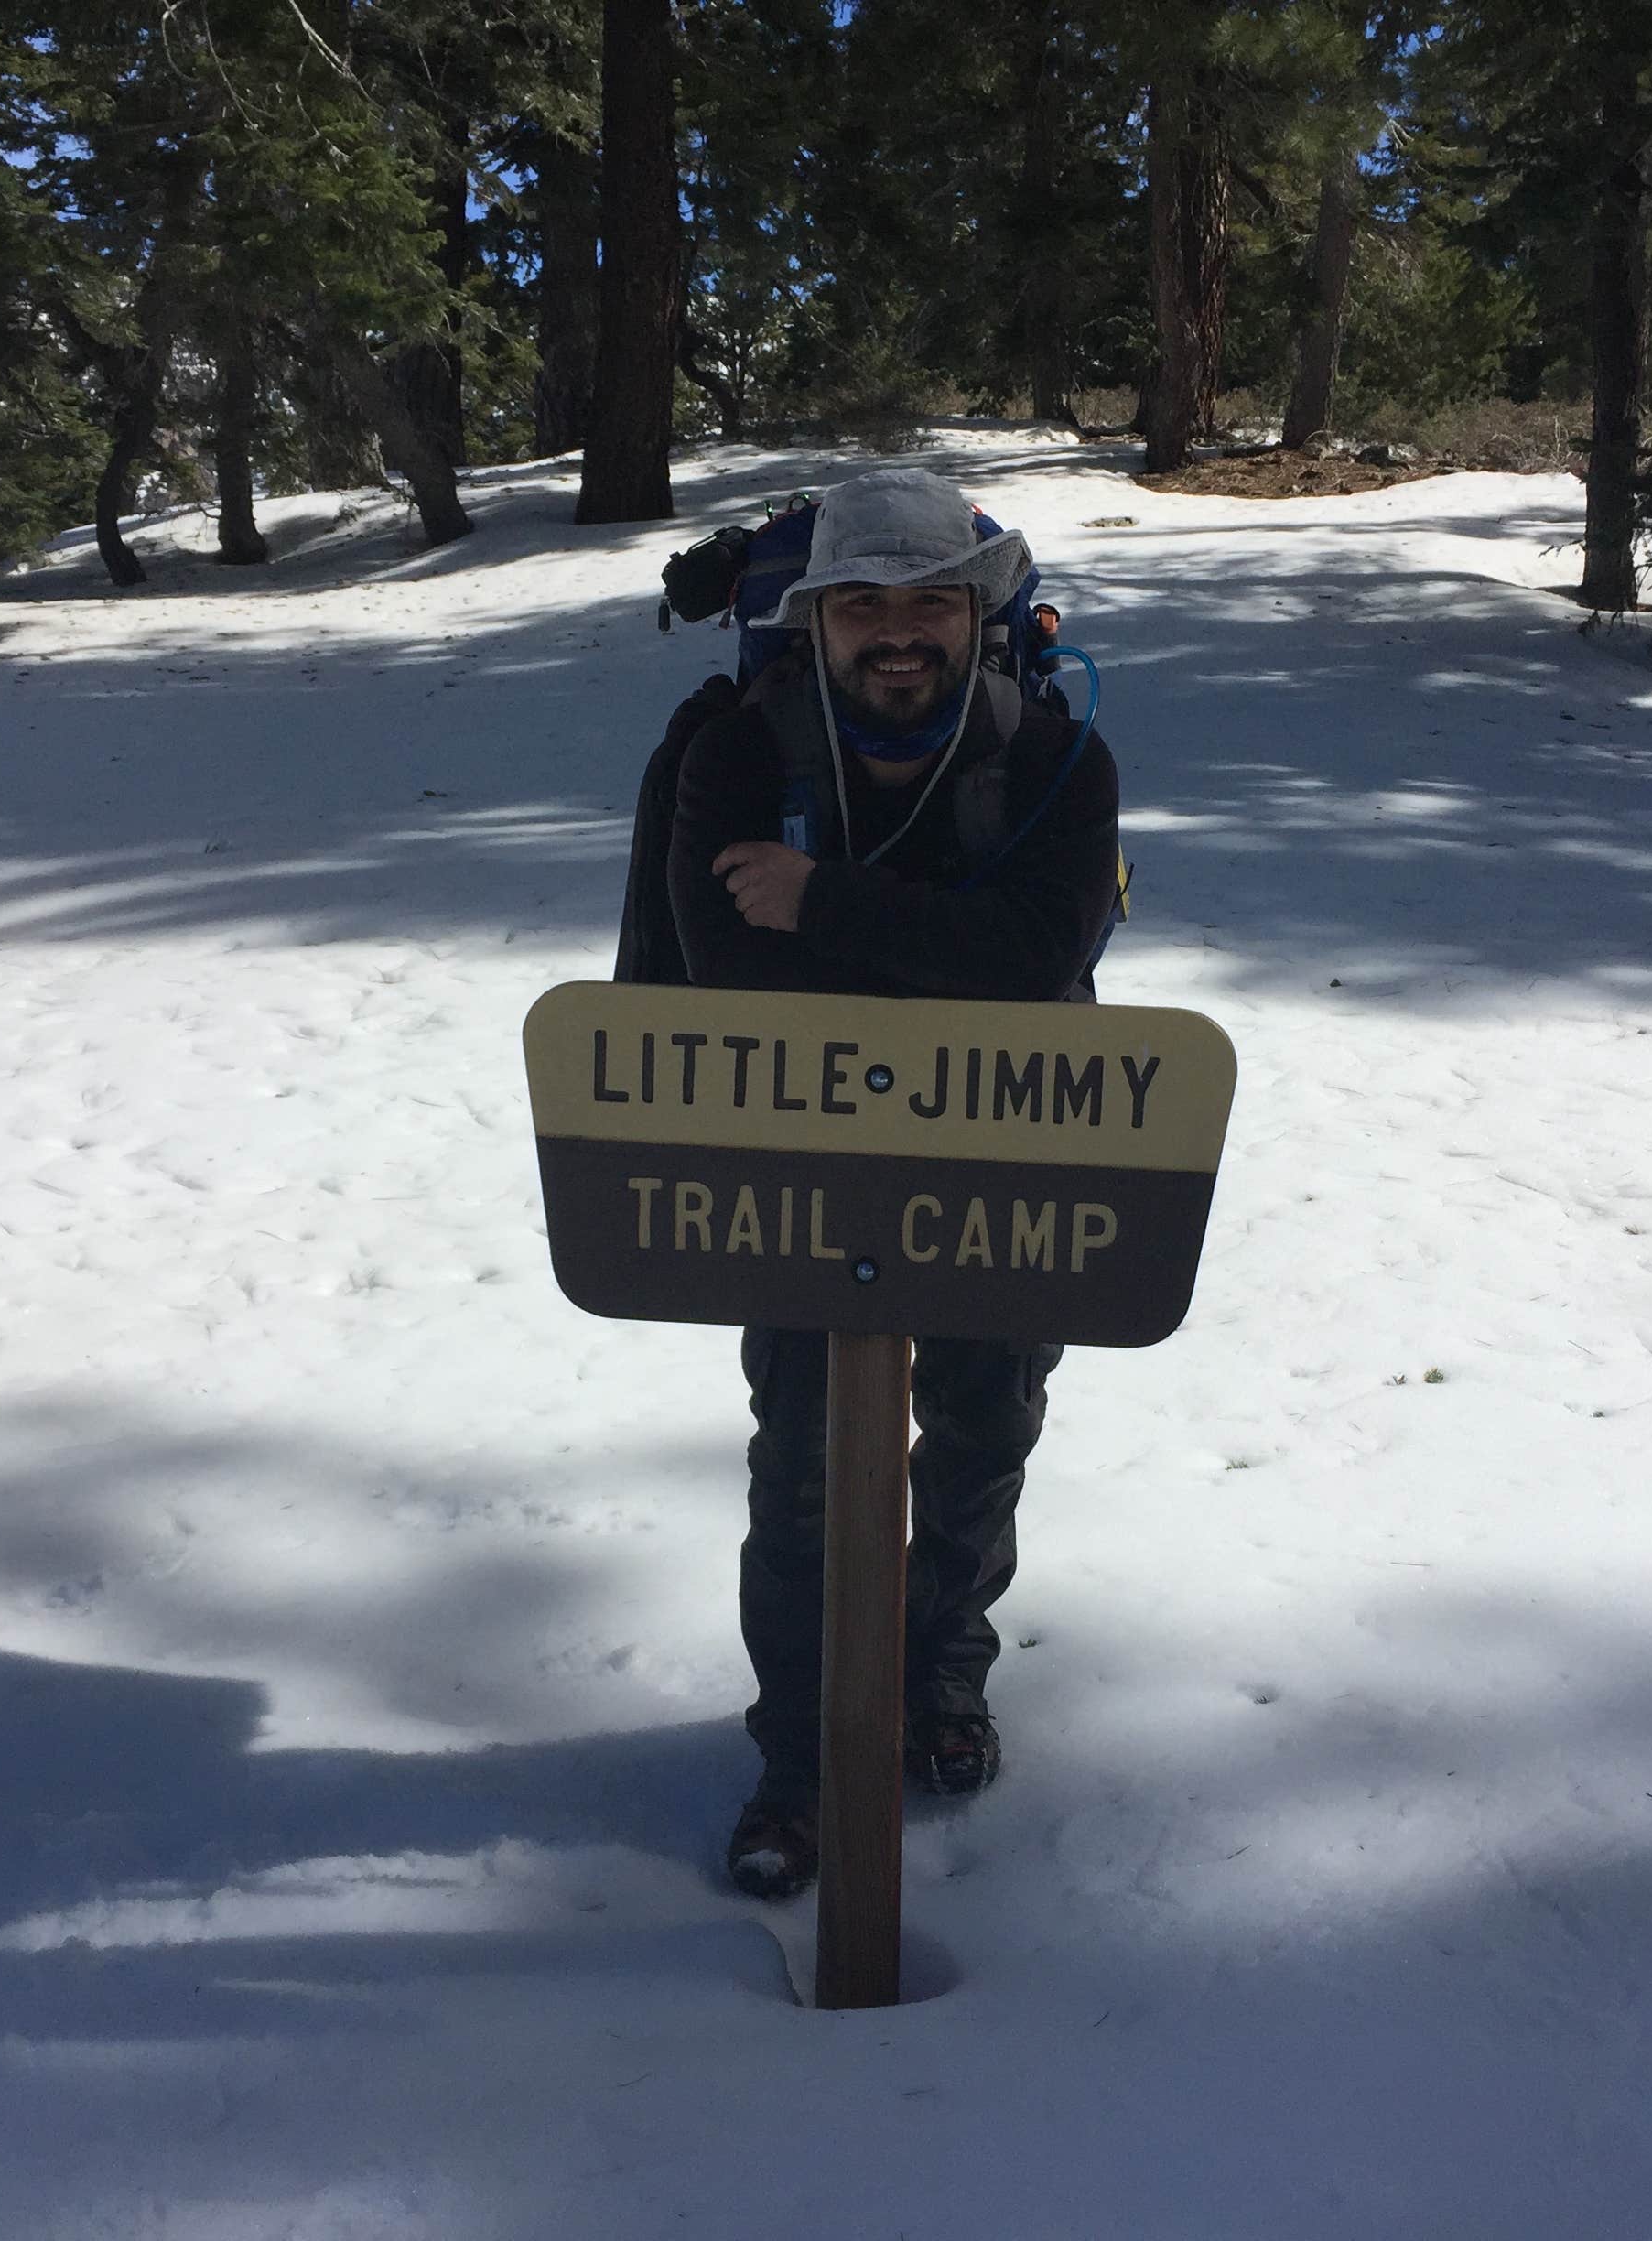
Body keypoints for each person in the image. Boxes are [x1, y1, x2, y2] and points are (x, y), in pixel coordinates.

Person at [667, 469, 1122, 1900]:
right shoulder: (727, 751)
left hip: (1010, 1162)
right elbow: (723, 976)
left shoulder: (1056, 753)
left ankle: (943, 1689)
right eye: (862, 603)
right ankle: (800, 1768)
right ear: (813, 624)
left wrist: (825, 909)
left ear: (978, 616)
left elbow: (1041, 960)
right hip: (798, 1169)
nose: (898, 631)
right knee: (802, 1470)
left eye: (930, 600)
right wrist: (952, 947)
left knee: (983, 1435)